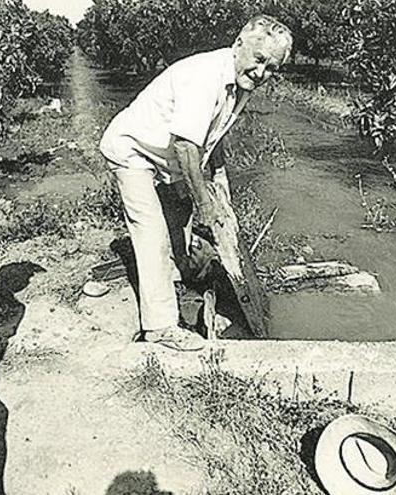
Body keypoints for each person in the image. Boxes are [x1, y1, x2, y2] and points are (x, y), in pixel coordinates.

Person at [99, 15, 293, 351]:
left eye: (272, 68)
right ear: (238, 46)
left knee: (180, 224)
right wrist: (205, 203)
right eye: (259, 60)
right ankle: (160, 326)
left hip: (165, 157)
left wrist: (218, 190)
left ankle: (174, 279)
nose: (262, 72)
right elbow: (186, 144)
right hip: (133, 150)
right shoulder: (205, 76)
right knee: (152, 230)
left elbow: (211, 137)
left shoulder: (241, 82)